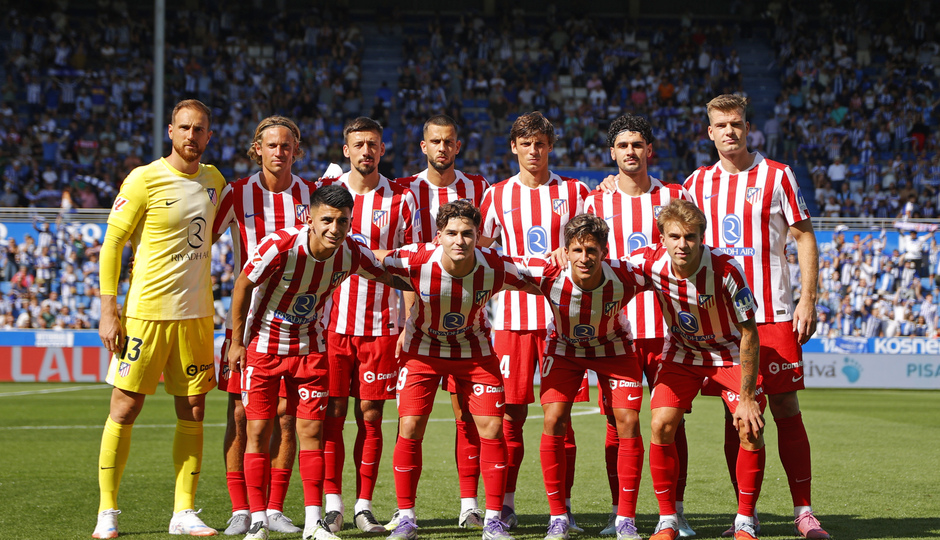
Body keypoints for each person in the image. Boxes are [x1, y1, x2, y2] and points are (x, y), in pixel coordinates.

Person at [226, 184, 409, 540]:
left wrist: (442, 279)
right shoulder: (279, 246)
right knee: (258, 432)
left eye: (342, 221)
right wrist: (237, 343)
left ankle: (314, 525)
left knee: (310, 432)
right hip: (264, 349)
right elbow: (242, 286)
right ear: (310, 218)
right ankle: (258, 521)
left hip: (310, 350)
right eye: (327, 220)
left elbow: (389, 276)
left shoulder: (352, 251)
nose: (334, 229)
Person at [684, 94, 827, 539]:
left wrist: (808, 298)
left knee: (785, 406)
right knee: (739, 414)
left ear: (749, 128)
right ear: (709, 133)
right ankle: (746, 516)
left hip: (774, 314)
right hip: (722, 323)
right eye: (721, 125)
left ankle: (804, 512)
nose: (730, 131)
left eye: (737, 123)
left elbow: (803, 236)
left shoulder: (777, 175)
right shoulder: (696, 183)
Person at [93, 99, 225, 538]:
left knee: (194, 409)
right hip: (146, 315)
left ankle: (183, 512)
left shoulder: (215, 181)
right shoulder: (144, 179)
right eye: (184, 127)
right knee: (125, 407)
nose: (191, 135)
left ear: (209, 135)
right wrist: (108, 308)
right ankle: (107, 510)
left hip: (196, 316)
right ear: (171, 131)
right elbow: (113, 243)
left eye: (199, 129)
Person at [382, 200, 538, 540]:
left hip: (474, 352)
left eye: (468, 234)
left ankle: (494, 521)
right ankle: (406, 517)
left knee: (492, 429)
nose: (459, 240)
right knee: (409, 426)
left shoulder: (495, 266)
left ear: (478, 237)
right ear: (438, 237)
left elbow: (535, 282)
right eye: (451, 233)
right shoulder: (416, 258)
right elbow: (372, 259)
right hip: (422, 349)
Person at [479, 111, 590, 531]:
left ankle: (563, 511)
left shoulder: (575, 191)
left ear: (550, 146)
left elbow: (596, 237)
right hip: (510, 320)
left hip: (562, 320)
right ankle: (504, 505)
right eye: (525, 143)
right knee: (510, 417)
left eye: (540, 143)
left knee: (560, 419)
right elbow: (482, 248)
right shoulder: (497, 195)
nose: (533, 150)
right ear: (514, 147)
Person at [629, 199, 765, 540]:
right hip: (682, 353)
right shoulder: (648, 262)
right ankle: (668, 519)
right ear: (662, 237)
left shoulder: (726, 269)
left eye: (690, 237)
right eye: (674, 236)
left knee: (749, 427)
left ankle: (746, 520)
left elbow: (749, 332)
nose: (682, 244)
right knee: (660, 424)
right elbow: (608, 271)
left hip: (729, 353)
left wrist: (747, 397)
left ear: (702, 237)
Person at [588, 115, 696, 537]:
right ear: (611, 152)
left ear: (649, 150)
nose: (630, 152)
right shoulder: (596, 203)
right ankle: (622, 515)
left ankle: (676, 512)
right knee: (618, 423)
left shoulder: (674, 195)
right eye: (623, 145)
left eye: (638, 144)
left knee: (672, 423)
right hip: (617, 332)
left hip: (670, 330)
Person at [212, 116, 316, 536]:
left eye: (286, 146)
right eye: (270, 145)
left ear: (297, 150)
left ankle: (273, 507)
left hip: (298, 325)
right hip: (249, 323)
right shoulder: (236, 194)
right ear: (257, 148)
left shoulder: (312, 196)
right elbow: (202, 243)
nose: (279, 152)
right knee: (240, 415)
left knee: (287, 417)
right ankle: (242, 508)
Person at [518, 214, 648, 540]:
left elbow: (667, 271)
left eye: (591, 250)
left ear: (605, 251)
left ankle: (624, 518)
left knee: (628, 422)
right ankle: (558, 516)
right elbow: (496, 268)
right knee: (554, 419)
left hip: (614, 347)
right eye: (577, 250)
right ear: (565, 251)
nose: (584, 258)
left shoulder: (626, 275)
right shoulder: (548, 273)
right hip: (564, 348)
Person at [319, 117, 416, 534]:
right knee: (331, 414)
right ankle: (332, 504)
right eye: (358, 144)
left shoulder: (400, 199)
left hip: (381, 326)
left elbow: (410, 264)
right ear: (346, 150)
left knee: (371, 416)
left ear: (382, 149)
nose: (365, 151)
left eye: (372, 144)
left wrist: (411, 321)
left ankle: (363, 505)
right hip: (333, 323)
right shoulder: (327, 193)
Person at [395, 114, 491, 529]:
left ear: (458, 145)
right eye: (435, 141)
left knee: (467, 416)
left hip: (468, 323)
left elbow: (487, 244)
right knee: (409, 421)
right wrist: (408, 313)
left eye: (449, 141)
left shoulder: (479, 187)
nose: (442, 148)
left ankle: (470, 504)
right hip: (422, 323)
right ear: (423, 146)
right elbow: (403, 261)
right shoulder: (406, 190)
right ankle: (405, 512)